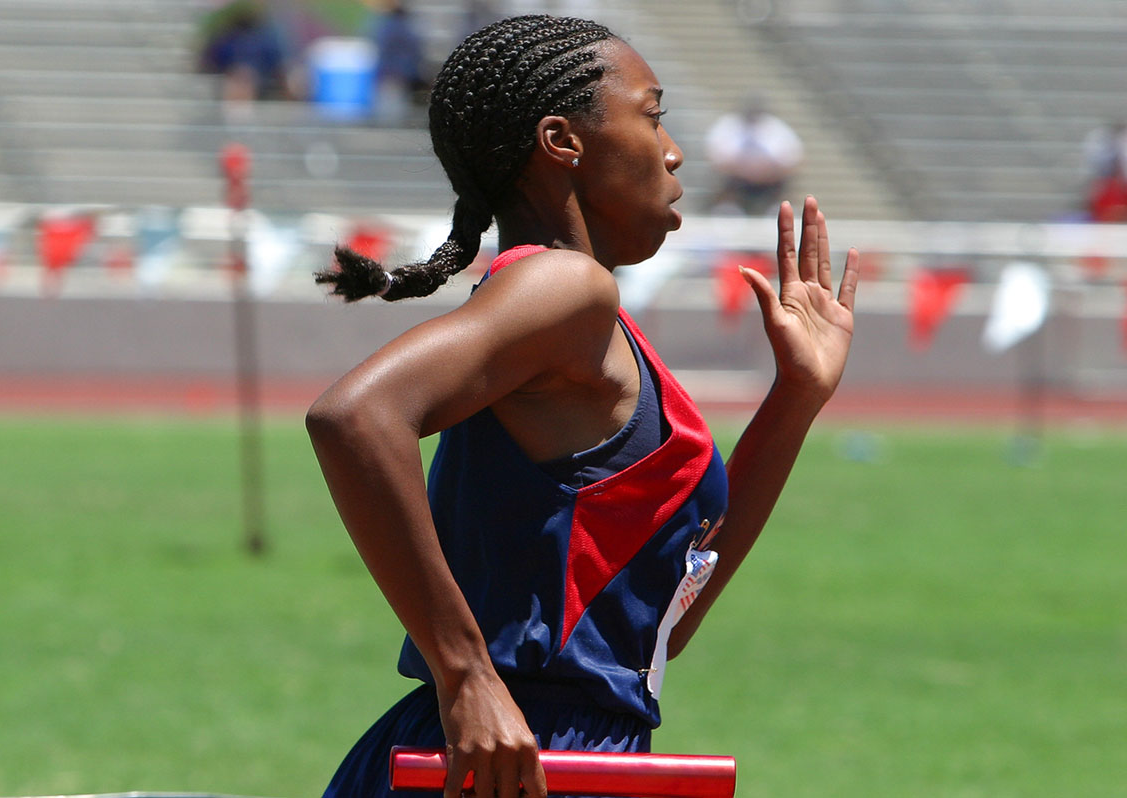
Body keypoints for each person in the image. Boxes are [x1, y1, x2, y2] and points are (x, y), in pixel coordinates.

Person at [305, 15, 859, 798]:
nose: (673, 152)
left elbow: (661, 625)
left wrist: (795, 398)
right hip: (514, 757)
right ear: (562, 141)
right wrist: (465, 674)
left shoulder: (582, 313)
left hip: (568, 751)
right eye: (652, 117)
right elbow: (354, 416)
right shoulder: (565, 288)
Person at [704, 91, 804, 216]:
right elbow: (716, 156)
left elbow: (793, 159)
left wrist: (763, 171)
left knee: (783, 197)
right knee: (725, 198)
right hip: (736, 183)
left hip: (770, 183)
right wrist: (746, 169)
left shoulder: (776, 127)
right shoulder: (729, 125)